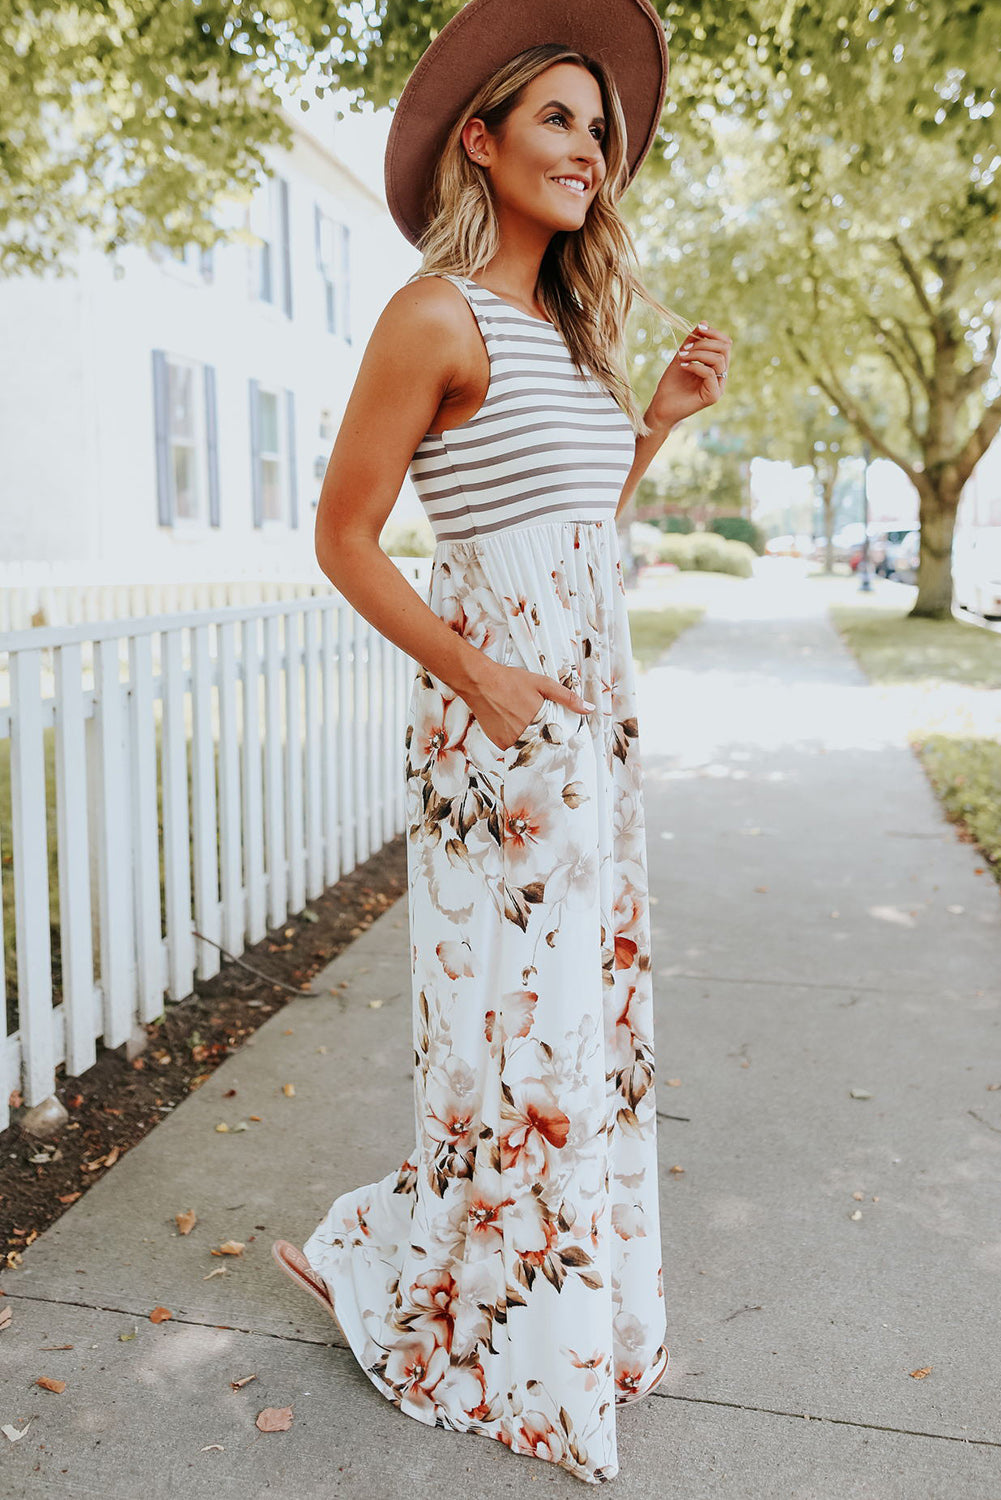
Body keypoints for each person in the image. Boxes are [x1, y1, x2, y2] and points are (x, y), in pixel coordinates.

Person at [273, 0, 732, 1483]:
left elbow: (564, 542)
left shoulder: (556, 333)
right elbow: (345, 541)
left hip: (588, 739)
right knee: (504, 1041)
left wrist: (646, 424)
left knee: (574, 1037)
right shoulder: (435, 313)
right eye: (555, 119)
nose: (586, 150)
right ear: (480, 139)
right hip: (496, 738)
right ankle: (464, 1325)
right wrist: (474, 676)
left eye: (597, 130)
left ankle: (548, 1319)